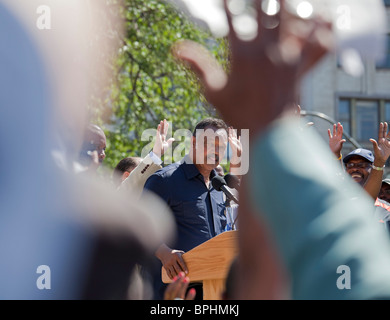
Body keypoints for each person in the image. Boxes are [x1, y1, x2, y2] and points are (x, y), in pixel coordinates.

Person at [172, 0, 390, 299]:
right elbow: (341, 247)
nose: (354, 170)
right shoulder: (170, 181)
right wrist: (275, 130)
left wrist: (270, 127)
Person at [143, 117, 241, 299]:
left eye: (221, 147)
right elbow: (140, 225)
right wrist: (164, 253)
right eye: (210, 144)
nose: (215, 152)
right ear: (194, 142)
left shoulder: (219, 187)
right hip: (173, 292)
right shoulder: (165, 180)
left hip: (213, 290)